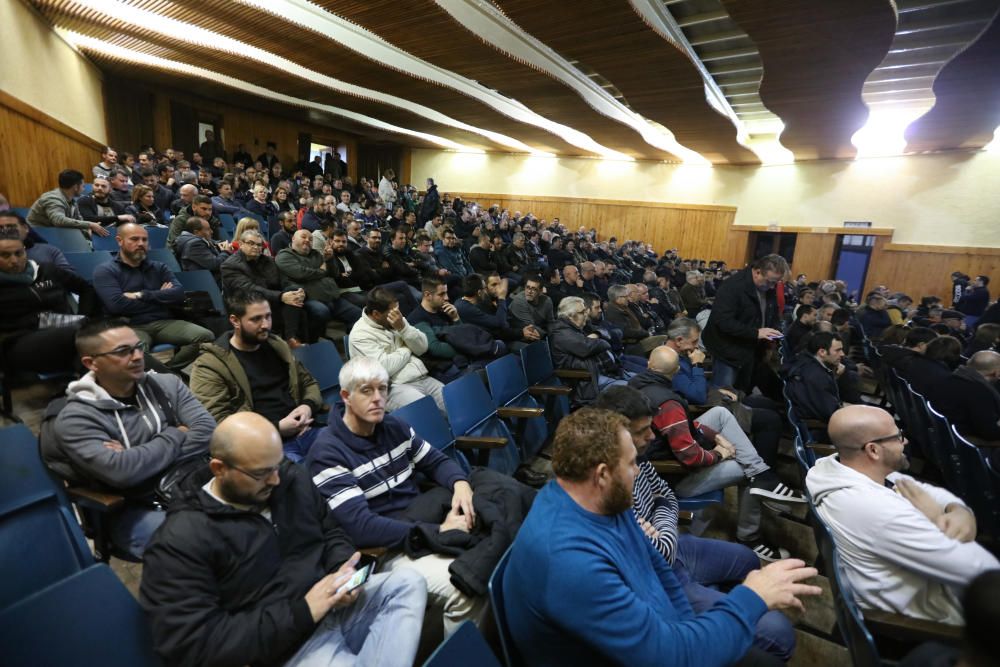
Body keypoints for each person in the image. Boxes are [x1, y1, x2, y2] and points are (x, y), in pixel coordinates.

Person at [502, 407, 821, 666]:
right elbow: (670, 657)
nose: (638, 472)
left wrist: (686, 623)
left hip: (660, 635)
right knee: (772, 644)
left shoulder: (600, 498)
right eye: (631, 464)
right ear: (601, 474)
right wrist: (752, 596)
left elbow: (659, 568)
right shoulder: (569, 563)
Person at [139, 412, 426, 667]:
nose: (276, 479)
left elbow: (331, 531)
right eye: (262, 473)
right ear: (219, 469)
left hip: (334, 602)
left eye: (277, 464)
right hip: (288, 645)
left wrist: (344, 571)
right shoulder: (181, 539)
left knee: (407, 583)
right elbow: (196, 643)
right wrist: (303, 612)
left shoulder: (289, 479)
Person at [592, 387, 796, 661]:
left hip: (673, 548)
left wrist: (659, 529)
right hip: (658, 575)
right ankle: (718, 625)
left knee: (747, 559)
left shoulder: (637, 457)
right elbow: (655, 554)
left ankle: (718, 613)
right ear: (617, 433)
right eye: (643, 431)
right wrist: (662, 533)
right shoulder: (604, 484)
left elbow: (665, 495)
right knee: (779, 632)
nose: (652, 436)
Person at [306, 357, 486, 636]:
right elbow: (361, 528)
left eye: (383, 389)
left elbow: (436, 462)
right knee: (466, 588)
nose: (378, 398)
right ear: (346, 396)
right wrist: (437, 531)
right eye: (366, 390)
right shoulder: (327, 453)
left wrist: (461, 483)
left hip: (422, 520)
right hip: (387, 549)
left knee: (493, 554)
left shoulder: (394, 427)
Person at [806, 405, 998, 624]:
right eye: (898, 436)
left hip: (931, 578)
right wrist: (937, 519)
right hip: (935, 614)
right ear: (873, 450)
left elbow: (924, 491)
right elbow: (985, 574)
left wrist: (959, 511)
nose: (905, 441)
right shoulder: (879, 510)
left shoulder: (834, 468)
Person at [41, 319, 215, 558]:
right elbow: (123, 472)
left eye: (138, 347)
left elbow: (207, 430)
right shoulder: (74, 418)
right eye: (123, 351)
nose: (137, 356)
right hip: (132, 508)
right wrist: (176, 432)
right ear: (91, 363)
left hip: (187, 481)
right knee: (208, 541)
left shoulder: (166, 383)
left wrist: (138, 454)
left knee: (257, 504)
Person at [630, 346, 805, 561]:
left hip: (666, 454)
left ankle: (762, 475)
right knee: (746, 467)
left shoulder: (637, 384)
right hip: (674, 476)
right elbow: (690, 456)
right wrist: (719, 454)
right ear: (676, 372)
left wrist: (714, 436)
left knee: (720, 414)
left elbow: (680, 426)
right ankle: (749, 536)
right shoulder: (668, 403)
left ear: (649, 365)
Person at [190, 290, 322, 462]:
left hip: (305, 430)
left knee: (352, 451)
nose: (265, 325)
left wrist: (307, 406)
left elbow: (308, 382)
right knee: (304, 479)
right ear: (235, 321)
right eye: (256, 319)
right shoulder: (210, 365)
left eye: (268, 316)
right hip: (263, 445)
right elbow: (218, 422)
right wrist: (276, 428)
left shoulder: (278, 346)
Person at [93, 223, 213, 369]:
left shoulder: (159, 267)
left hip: (164, 322)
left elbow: (179, 294)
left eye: (144, 240)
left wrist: (141, 295)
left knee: (205, 336)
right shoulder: (105, 271)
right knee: (135, 352)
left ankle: (170, 370)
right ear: (119, 240)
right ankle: (155, 377)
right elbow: (117, 305)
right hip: (132, 325)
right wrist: (161, 296)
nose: (141, 243)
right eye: (134, 239)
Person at [0, 230, 97, 375]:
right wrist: (48, 321)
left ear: (25, 251)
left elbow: (85, 289)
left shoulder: (45, 270)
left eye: (19, 253)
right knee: (84, 337)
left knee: (109, 333)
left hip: (67, 328)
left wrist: (83, 315)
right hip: (17, 342)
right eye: (5, 255)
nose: (14, 260)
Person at [348, 286, 446, 413]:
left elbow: (422, 347)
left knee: (456, 405)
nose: (398, 315)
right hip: (392, 388)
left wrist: (403, 329)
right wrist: (407, 348)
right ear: (376, 314)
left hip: (421, 377)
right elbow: (384, 368)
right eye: (393, 312)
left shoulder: (396, 319)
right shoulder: (359, 335)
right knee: (428, 412)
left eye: (397, 309)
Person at [703, 254, 787, 393]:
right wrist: (756, 333)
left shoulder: (768, 287)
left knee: (743, 392)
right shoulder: (733, 286)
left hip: (751, 349)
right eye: (769, 282)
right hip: (728, 350)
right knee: (725, 396)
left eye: (775, 283)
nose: (772, 286)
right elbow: (724, 322)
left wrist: (771, 337)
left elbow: (772, 313)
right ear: (757, 271)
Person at [275, 229, 362, 329]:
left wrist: (330, 260)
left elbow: (334, 273)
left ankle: (349, 341)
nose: (308, 240)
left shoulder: (316, 254)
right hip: (310, 298)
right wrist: (321, 271)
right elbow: (301, 274)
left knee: (358, 315)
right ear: (293, 239)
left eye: (311, 239)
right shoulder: (284, 256)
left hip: (332, 297)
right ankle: (316, 340)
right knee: (321, 312)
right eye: (303, 237)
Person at [550, 296, 627, 404]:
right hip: (585, 384)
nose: (586, 314)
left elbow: (605, 332)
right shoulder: (562, 333)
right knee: (630, 390)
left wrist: (596, 335)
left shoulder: (577, 327)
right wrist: (602, 341)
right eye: (582, 312)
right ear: (570, 315)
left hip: (598, 374)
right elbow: (588, 347)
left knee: (637, 383)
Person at [925, 350, 1000, 446]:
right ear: (996, 373)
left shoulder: (946, 378)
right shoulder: (979, 392)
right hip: (963, 442)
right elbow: (990, 433)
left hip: (943, 437)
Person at [784, 331, 846, 423]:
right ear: (822, 352)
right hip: (818, 427)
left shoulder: (803, 360)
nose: (842, 354)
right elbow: (832, 413)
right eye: (838, 350)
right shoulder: (817, 376)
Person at [27, 169, 110, 237]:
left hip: (54, 235)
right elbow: (59, 220)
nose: (84, 189)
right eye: (83, 186)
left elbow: (78, 219)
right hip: (37, 237)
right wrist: (90, 225)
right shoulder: (52, 198)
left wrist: (87, 230)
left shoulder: (72, 200)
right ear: (76, 187)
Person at [174, 216, 233, 283]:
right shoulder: (194, 244)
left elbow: (214, 242)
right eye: (208, 229)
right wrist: (226, 251)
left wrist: (219, 245)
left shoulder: (195, 239)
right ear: (196, 232)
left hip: (212, 277)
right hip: (206, 281)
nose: (211, 231)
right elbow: (215, 264)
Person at [508, 273, 555, 337]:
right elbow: (531, 327)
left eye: (534, 289)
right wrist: (548, 336)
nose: (529, 291)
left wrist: (553, 334)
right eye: (527, 287)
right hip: (519, 334)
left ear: (540, 291)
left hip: (540, 331)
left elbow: (551, 322)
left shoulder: (547, 301)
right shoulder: (519, 301)